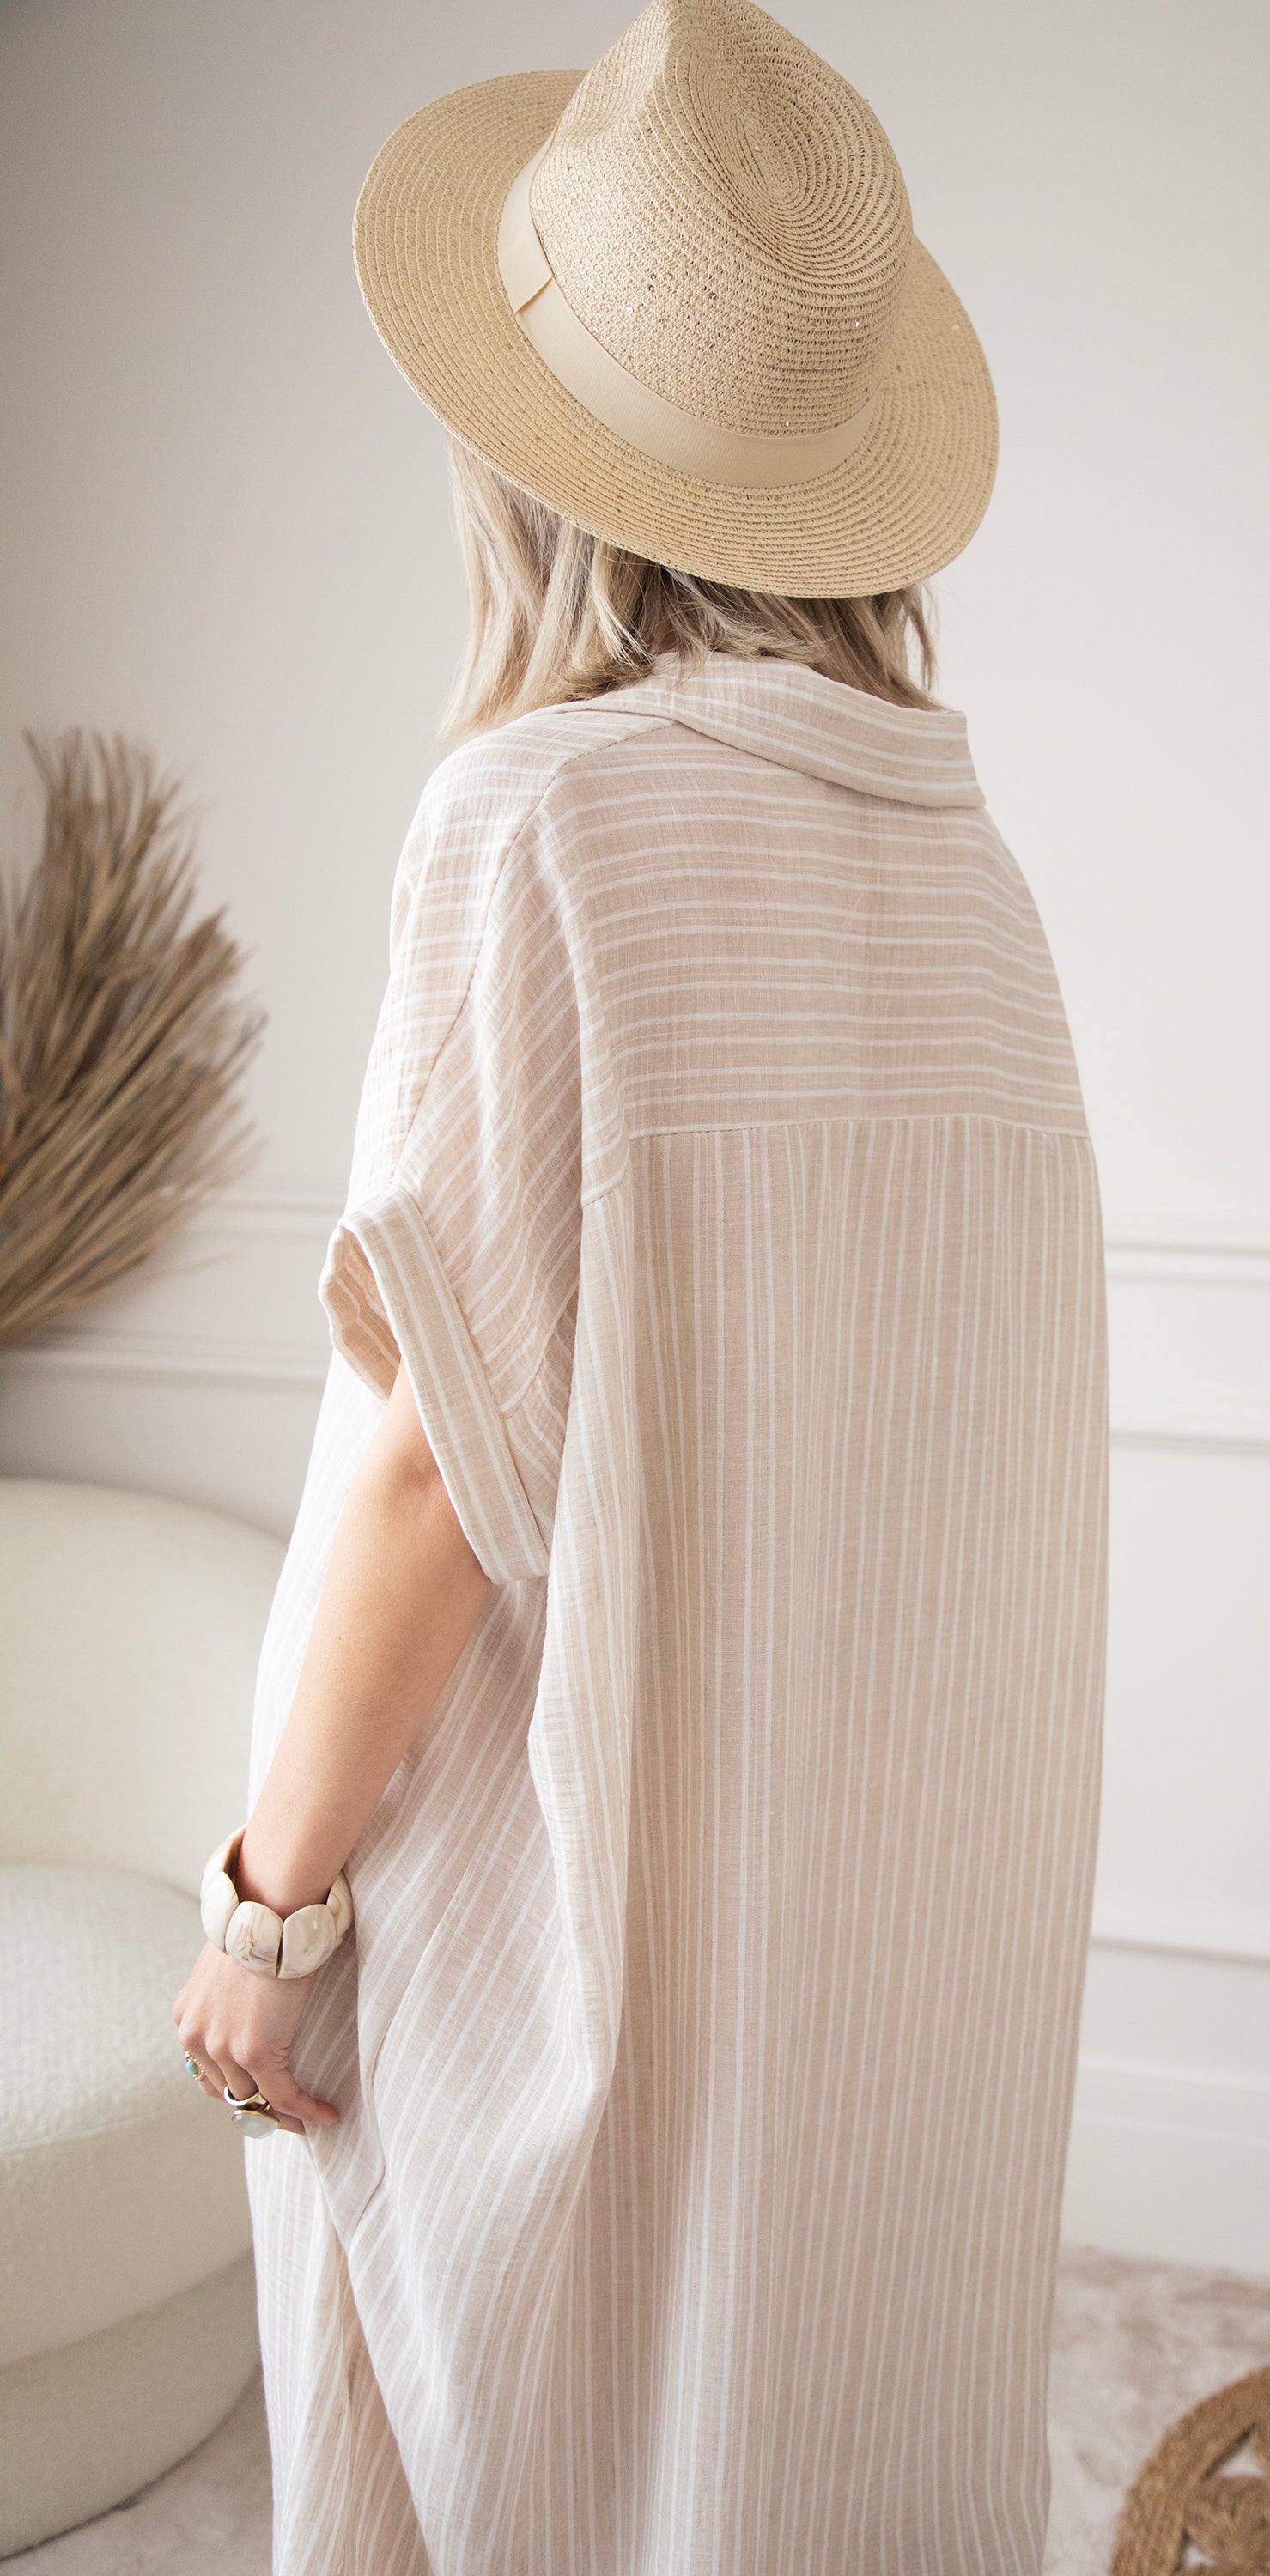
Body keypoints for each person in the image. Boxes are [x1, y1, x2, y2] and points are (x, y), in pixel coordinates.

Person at [173, 4, 1108, 2568]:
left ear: (530, 464)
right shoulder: (974, 884)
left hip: (569, 1877)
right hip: (876, 1931)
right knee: (799, 2447)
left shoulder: (542, 825)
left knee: (515, 2462)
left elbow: (429, 1467)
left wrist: (274, 1903)